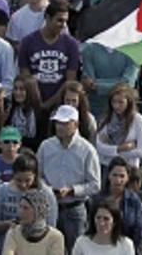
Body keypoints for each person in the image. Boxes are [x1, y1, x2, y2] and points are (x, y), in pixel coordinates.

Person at [38, 105, 101, 250]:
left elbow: (95, 184)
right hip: (48, 207)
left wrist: (72, 190)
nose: (60, 127)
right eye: (58, 123)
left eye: (65, 123)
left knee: (76, 249)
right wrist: (48, 189)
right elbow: (38, 175)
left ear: (76, 124)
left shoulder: (87, 150)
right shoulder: (45, 146)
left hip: (75, 209)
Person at [2, 190, 66, 255]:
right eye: (20, 207)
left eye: (26, 208)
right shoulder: (14, 233)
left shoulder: (55, 237)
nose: (20, 212)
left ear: (38, 211)